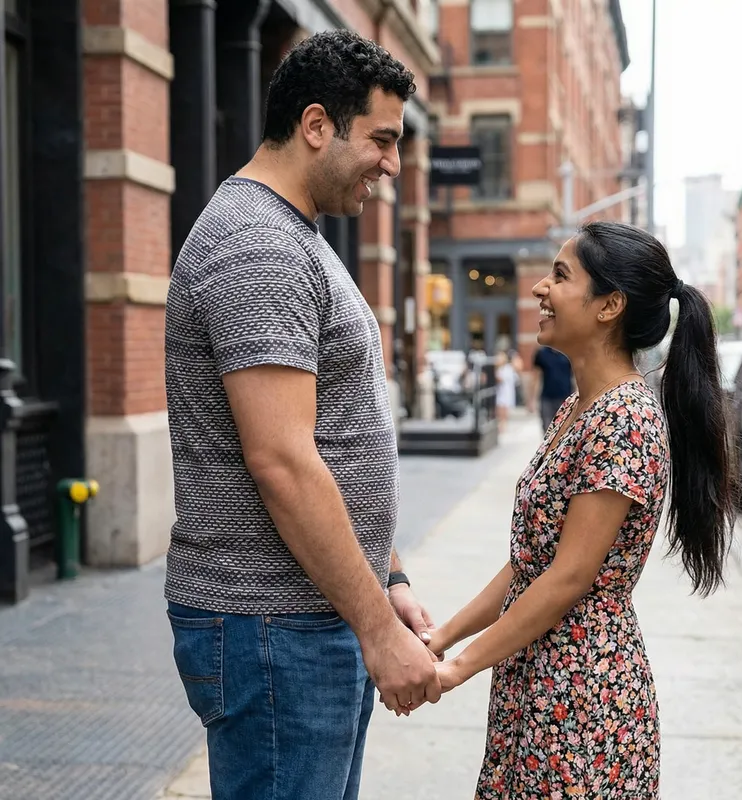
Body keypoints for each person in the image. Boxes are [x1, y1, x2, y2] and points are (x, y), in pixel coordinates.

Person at [164, 31, 441, 800]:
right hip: (274, 628)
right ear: (317, 125)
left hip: (308, 617)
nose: (392, 164)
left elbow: (336, 431)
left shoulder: (292, 236)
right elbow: (283, 460)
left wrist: (388, 577)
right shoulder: (258, 246)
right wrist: (378, 630)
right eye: (382, 140)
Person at [422, 222, 738, 797]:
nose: (540, 288)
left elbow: (569, 577)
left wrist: (457, 669)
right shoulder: (578, 406)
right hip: (538, 676)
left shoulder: (623, 419)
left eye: (561, 276)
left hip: (584, 695)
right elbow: (531, 564)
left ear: (609, 306)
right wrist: (443, 637)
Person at [531, 344, 573, 431]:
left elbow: (576, 377)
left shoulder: (569, 352)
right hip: (547, 398)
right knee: (547, 429)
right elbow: (536, 377)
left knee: (564, 429)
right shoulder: (542, 353)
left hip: (566, 398)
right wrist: (532, 400)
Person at [494, 351, 517, 432]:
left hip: (505, 391)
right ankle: (501, 424)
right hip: (501, 391)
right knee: (499, 407)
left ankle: (503, 424)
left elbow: (501, 379)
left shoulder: (507, 368)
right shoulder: (501, 368)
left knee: (503, 407)